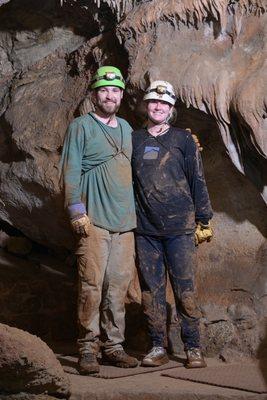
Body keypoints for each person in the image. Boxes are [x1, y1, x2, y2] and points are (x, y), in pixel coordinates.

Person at [60, 66, 138, 374]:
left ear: (121, 96)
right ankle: (88, 347)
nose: (110, 95)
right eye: (104, 90)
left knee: (117, 287)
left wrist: (184, 145)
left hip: (125, 223)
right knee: (91, 285)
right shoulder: (81, 126)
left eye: (116, 90)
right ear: (95, 94)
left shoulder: (128, 129)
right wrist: (75, 209)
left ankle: (113, 346)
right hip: (94, 221)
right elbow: (70, 168)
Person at [131, 80, 213, 368]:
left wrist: (204, 217)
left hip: (180, 228)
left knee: (185, 289)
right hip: (146, 230)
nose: (158, 106)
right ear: (146, 105)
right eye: (154, 101)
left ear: (172, 109)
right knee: (151, 290)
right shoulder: (134, 139)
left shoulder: (184, 139)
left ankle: (193, 347)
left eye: (165, 104)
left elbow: (197, 178)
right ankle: (156, 346)